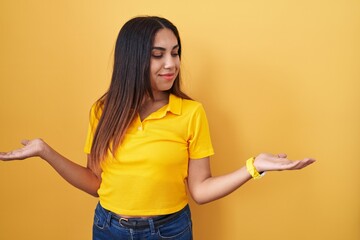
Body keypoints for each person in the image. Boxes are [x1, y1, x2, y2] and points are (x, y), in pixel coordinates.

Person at [0, 16, 315, 240]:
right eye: (158, 55)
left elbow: (200, 190)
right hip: (109, 228)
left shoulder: (191, 113)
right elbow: (96, 183)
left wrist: (253, 167)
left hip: (170, 231)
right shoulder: (103, 111)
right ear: (133, 59)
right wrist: (44, 151)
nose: (171, 64)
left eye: (175, 52)